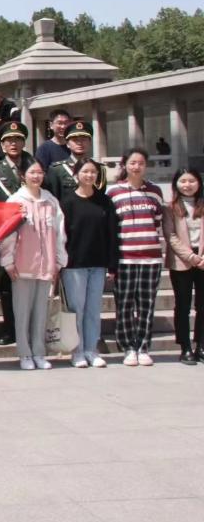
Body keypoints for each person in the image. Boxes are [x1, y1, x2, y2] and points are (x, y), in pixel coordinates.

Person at [0, 160, 67, 370]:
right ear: (23, 175)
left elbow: (59, 232)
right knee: (22, 312)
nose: (36, 176)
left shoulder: (50, 200)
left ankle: (39, 352)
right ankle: (25, 353)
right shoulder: (15, 201)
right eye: (32, 172)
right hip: (22, 265)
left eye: (39, 172)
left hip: (46, 265)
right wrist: (8, 262)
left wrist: (59, 260)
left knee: (41, 312)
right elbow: (7, 235)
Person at [107, 147, 165, 367]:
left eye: (141, 163)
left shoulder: (155, 191)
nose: (137, 166)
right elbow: (111, 227)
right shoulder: (114, 192)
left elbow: (157, 222)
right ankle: (128, 347)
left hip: (151, 258)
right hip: (125, 258)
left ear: (145, 166)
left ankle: (143, 346)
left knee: (146, 305)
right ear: (125, 165)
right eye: (132, 163)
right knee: (124, 304)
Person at [60, 158, 118, 368]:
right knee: (77, 309)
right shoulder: (67, 202)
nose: (89, 175)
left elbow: (112, 233)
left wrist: (112, 264)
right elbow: (61, 235)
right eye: (85, 171)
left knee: (93, 309)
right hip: (75, 264)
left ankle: (91, 350)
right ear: (76, 174)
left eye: (93, 172)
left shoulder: (104, 201)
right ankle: (77, 351)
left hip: (98, 263)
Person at [0, 121, 35, 346]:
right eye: (9, 140)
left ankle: (29, 329)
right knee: (6, 286)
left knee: (29, 283)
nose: (13, 144)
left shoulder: (33, 166)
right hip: (4, 235)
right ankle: (10, 329)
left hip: (31, 233)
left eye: (18, 139)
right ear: (2, 145)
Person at [164, 168, 204, 365]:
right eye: (183, 181)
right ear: (176, 184)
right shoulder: (170, 207)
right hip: (182, 260)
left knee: (202, 305)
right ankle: (185, 346)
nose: (187, 185)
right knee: (183, 305)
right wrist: (191, 257)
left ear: (199, 183)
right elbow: (170, 235)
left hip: (203, 259)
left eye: (192, 181)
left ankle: (201, 345)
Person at [45, 121, 106, 201]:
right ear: (67, 144)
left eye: (83, 140)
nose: (80, 143)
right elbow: (53, 199)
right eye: (75, 140)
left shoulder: (99, 168)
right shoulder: (57, 170)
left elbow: (102, 197)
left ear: (90, 143)